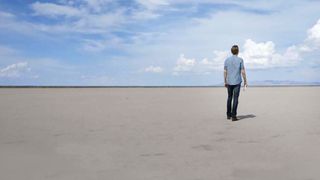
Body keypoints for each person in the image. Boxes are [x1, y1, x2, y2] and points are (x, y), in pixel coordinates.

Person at [224, 45, 248, 121]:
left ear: (231, 51)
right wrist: (245, 80)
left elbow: (225, 71)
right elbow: (243, 71)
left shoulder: (227, 60)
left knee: (229, 97)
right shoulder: (240, 60)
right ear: (238, 51)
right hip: (237, 82)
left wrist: (225, 81)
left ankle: (228, 115)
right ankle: (233, 116)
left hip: (229, 81)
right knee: (235, 98)